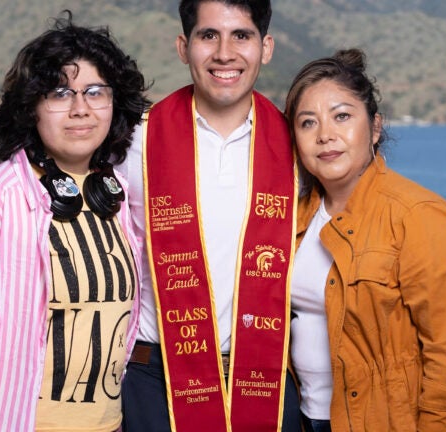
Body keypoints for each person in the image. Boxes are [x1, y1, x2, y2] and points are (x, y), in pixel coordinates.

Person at [0, 11, 151, 432]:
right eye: (61, 93)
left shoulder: (118, 195)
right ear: (32, 107)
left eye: (95, 92)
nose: (80, 109)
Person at [117, 0, 301, 430]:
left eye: (241, 35)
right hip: (154, 382)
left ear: (266, 47)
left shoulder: (297, 146)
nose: (224, 52)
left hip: (266, 377)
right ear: (184, 47)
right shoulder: (132, 142)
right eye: (208, 36)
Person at [284, 48, 446, 432]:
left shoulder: (419, 215)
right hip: (302, 418)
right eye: (308, 123)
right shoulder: (293, 218)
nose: (326, 135)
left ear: (375, 127)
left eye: (342, 116)